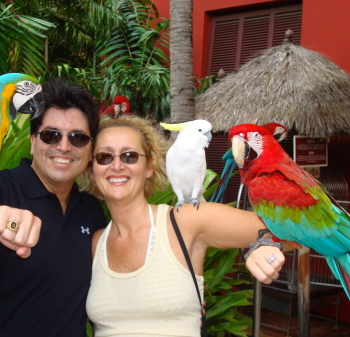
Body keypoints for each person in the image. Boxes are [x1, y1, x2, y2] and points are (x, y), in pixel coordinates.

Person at [0, 78, 107, 337]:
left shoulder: (91, 210)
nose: (64, 146)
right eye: (51, 135)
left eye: (78, 138)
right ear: (33, 140)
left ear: (90, 148)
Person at [84, 116, 289, 336]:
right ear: (91, 170)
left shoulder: (185, 221)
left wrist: (265, 246)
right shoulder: (96, 243)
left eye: (129, 156)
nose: (117, 165)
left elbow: (290, 233)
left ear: (149, 167)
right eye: (104, 157)